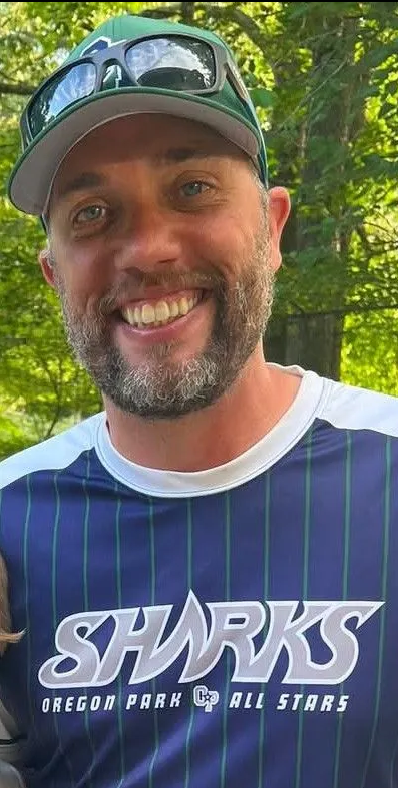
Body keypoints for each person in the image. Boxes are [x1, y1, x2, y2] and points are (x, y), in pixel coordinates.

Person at [0, 11, 398, 788]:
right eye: (92, 214)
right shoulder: (10, 522)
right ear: (56, 275)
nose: (149, 248)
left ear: (273, 227)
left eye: (192, 188)